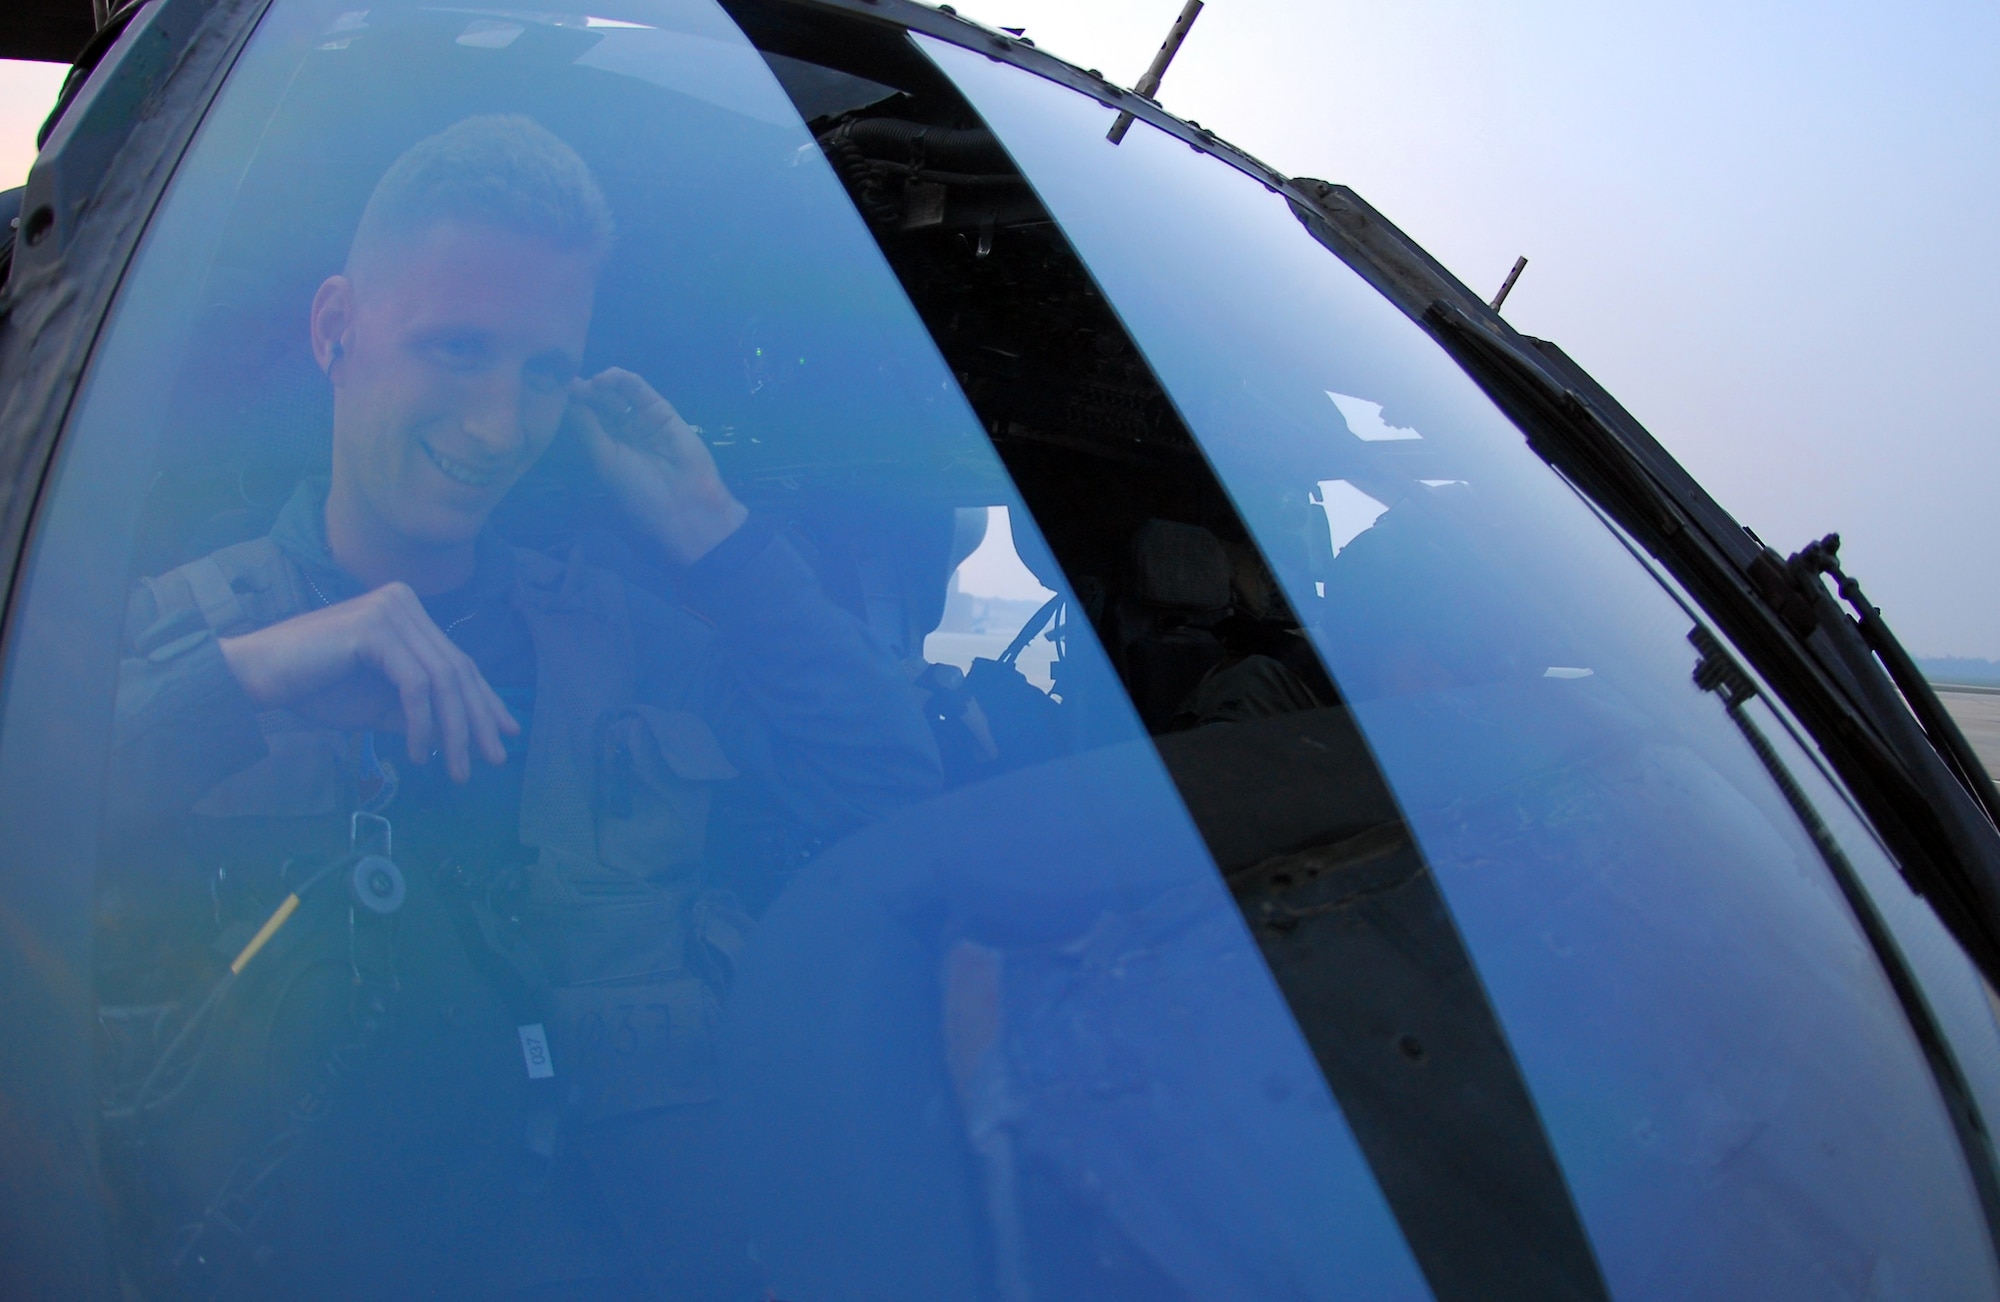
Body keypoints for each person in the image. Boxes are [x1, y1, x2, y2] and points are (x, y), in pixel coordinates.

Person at [103, 114, 941, 1299]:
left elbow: (888, 792)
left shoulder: (629, 641)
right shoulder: (174, 634)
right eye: (455, 350)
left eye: (543, 369)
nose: (501, 424)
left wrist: (715, 538)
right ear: (336, 331)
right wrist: (245, 677)